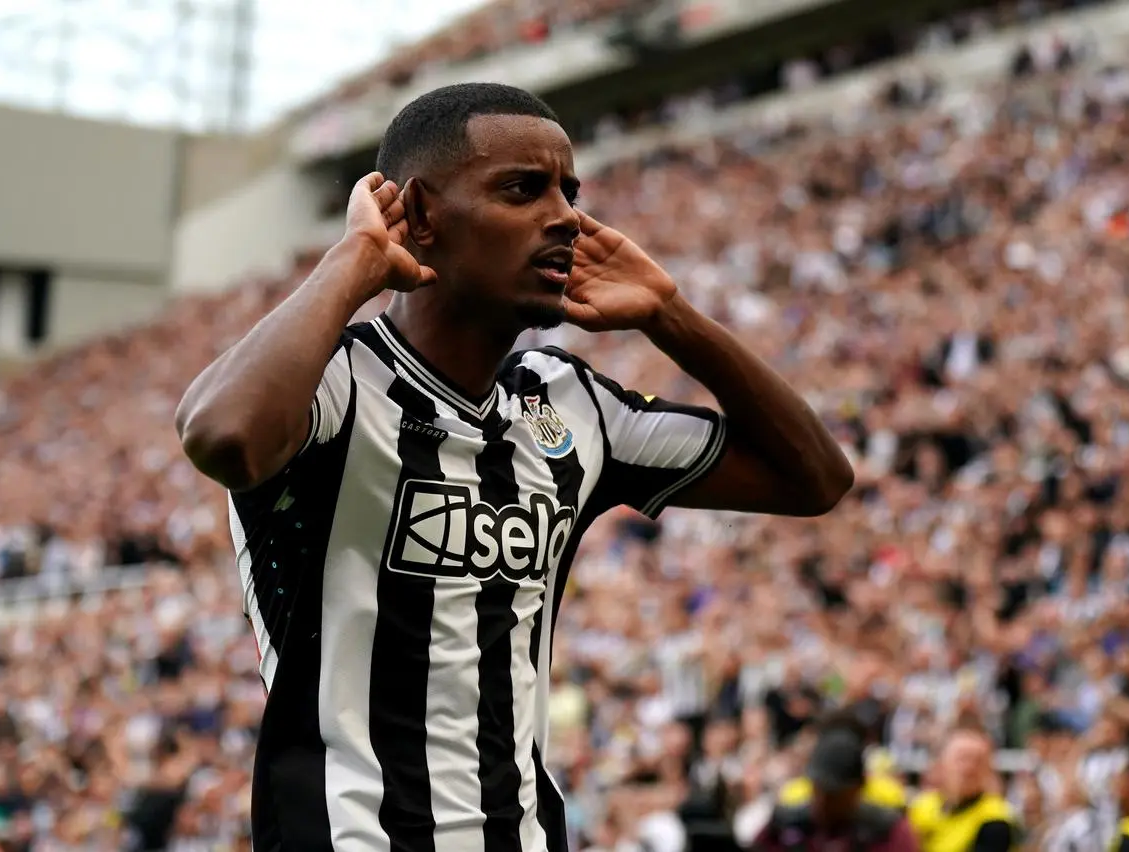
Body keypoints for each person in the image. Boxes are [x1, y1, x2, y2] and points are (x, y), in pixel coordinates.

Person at [175, 82, 853, 852]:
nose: (564, 215)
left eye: (569, 191)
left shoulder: (571, 408)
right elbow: (222, 436)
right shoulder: (330, 386)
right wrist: (358, 257)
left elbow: (816, 478)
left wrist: (672, 317)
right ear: (420, 215)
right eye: (523, 190)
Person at [753, 721, 918, 851]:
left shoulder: (887, 832)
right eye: (818, 789)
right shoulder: (785, 826)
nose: (823, 801)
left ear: (856, 789)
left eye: (833, 793)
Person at [916, 728, 1018, 852]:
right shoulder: (922, 806)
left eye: (978, 761)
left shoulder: (996, 818)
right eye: (962, 759)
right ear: (941, 765)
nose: (969, 768)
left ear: (989, 770)